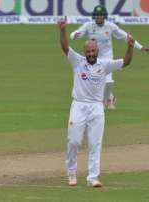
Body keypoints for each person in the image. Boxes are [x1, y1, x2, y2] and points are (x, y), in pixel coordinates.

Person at [58, 16, 134, 187]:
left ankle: (93, 177)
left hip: (96, 107)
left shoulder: (104, 64)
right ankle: (71, 171)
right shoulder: (77, 61)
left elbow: (126, 62)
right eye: (88, 52)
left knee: (95, 143)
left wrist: (130, 47)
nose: (91, 54)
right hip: (78, 105)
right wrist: (62, 30)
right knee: (74, 141)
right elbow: (65, 47)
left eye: (93, 51)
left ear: (97, 51)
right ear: (85, 52)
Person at [70, 5, 149, 110]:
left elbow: (126, 37)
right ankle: (110, 97)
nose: (99, 17)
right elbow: (76, 33)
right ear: (94, 16)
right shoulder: (89, 25)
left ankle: (106, 100)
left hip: (107, 57)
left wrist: (140, 47)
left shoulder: (110, 26)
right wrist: (75, 35)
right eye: (97, 15)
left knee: (108, 81)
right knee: (96, 80)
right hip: (93, 57)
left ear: (104, 16)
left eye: (101, 15)